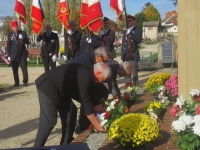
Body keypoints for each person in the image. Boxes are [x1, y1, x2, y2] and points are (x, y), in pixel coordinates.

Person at [34, 62, 111, 146]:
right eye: (103, 80)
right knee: (49, 120)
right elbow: (86, 103)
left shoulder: (90, 73)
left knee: (70, 112)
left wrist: (105, 114)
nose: (102, 82)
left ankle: (65, 144)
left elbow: (93, 97)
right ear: (98, 73)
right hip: (48, 85)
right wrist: (98, 126)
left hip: (61, 89)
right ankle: (37, 147)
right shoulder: (85, 75)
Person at [121, 15, 142, 86]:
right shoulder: (125, 31)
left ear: (134, 21)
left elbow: (139, 40)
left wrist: (130, 33)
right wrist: (122, 55)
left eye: (129, 21)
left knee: (134, 74)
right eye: (127, 21)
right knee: (127, 74)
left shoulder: (137, 30)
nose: (128, 22)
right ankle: (128, 91)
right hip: (126, 56)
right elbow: (124, 44)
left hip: (133, 55)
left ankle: (135, 89)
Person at [7, 20, 29, 87]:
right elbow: (9, 45)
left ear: (18, 27)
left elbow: (27, 42)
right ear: (12, 28)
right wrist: (9, 55)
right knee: (15, 69)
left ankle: (25, 81)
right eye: (14, 27)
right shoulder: (10, 34)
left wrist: (23, 38)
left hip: (22, 54)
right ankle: (16, 82)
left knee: (24, 68)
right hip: (14, 54)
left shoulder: (23, 33)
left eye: (16, 27)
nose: (15, 29)